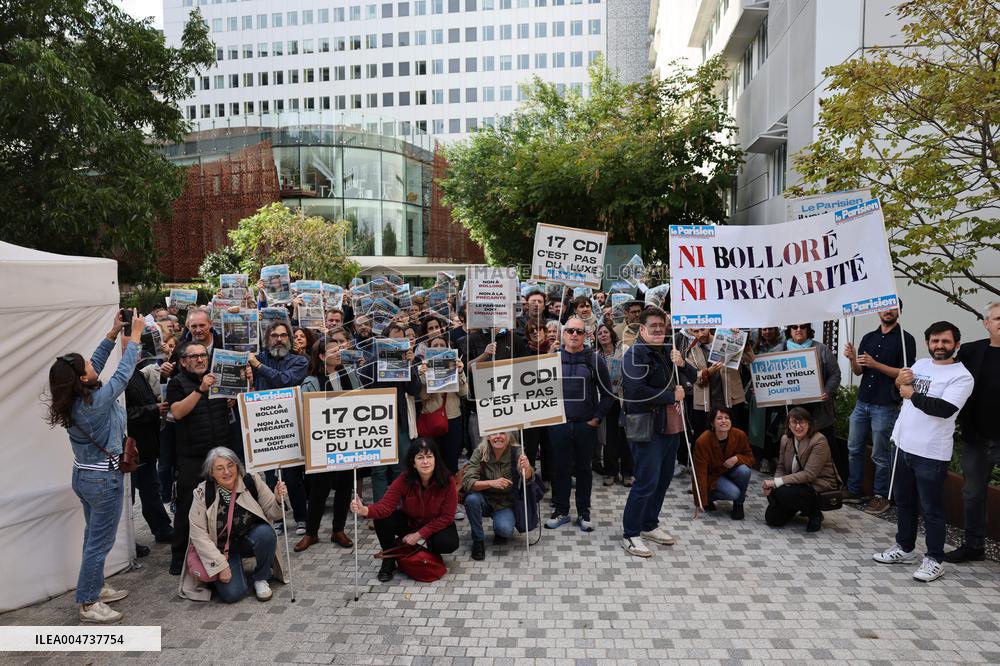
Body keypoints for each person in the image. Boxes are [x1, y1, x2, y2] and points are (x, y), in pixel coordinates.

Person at [47, 311, 145, 624]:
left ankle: (96, 586)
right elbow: (122, 377)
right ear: (81, 379)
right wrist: (136, 339)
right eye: (86, 366)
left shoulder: (77, 397)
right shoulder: (94, 403)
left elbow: (96, 367)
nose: (92, 365)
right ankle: (89, 603)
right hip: (103, 480)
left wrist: (113, 333)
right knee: (99, 543)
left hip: (85, 476)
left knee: (93, 537)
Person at [873, 321, 974, 582]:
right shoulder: (918, 365)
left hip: (931, 452)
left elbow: (944, 409)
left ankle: (934, 560)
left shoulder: (962, 376)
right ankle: (905, 548)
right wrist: (899, 381)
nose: (939, 346)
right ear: (928, 342)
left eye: (946, 342)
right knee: (904, 502)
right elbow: (900, 390)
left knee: (932, 509)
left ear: (956, 345)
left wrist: (911, 393)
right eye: (935, 341)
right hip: (903, 444)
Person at [620, 307, 696, 558]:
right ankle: (630, 533)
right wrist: (670, 395)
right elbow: (635, 392)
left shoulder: (668, 350)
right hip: (648, 429)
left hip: (671, 427)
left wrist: (682, 364)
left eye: (661, 326)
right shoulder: (635, 354)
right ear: (641, 329)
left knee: (663, 480)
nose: (658, 329)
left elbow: (693, 377)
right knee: (646, 481)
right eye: (652, 326)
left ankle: (649, 523)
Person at [179, 448, 289, 602]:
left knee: (266, 533)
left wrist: (278, 499)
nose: (227, 472)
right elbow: (199, 536)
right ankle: (225, 571)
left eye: (230, 465)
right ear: (211, 472)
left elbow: (274, 514)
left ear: (237, 466)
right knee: (234, 594)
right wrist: (221, 566)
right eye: (220, 468)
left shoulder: (251, 481)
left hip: (248, 540)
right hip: (220, 549)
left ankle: (261, 578)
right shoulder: (203, 493)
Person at [166, 341, 235, 575]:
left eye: (203, 355)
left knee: (223, 504)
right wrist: (200, 391)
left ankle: (222, 549)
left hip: (220, 454)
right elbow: (177, 412)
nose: (199, 360)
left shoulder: (218, 378)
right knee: (188, 507)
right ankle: (179, 556)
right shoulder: (177, 383)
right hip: (192, 457)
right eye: (193, 356)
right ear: (183, 362)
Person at [350, 438, 459, 582]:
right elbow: (385, 507)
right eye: (420, 458)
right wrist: (364, 510)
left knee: (448, 542)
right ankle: (389, 559)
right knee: (382, 520)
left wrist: (419, 535)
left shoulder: (447, 480)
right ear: (413, 463)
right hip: (410, 521)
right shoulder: (404, 479)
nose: (425, 462)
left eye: (429, 457)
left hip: (435, 524)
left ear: (436, 460)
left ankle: (428, 554)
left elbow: (447, 517)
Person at [843, 307, 917, 514]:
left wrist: (876, 364)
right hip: (862, 401)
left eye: (893, 309)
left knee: (880, 453)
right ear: (878, 312)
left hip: (885, 404)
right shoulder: (869, 337)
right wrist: (851, 358)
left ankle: (880, 496)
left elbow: (905, 373)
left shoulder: (905, 339)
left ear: (900, 312)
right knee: (854, 448)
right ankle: (854, 490)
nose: (888, 312)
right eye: (885, 309)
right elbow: (859, 371)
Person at [545, 317, 614, 532]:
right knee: (559, 469)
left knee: (584, 470)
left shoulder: (594, 359)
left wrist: (596, 419)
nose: (574, 335)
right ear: (563, 333)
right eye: (570, 331)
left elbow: (608, 394)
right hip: (559, 425)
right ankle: (561, 510)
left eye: (579, 332)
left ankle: (584, 512)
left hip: (586, 425)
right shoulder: (553, 358)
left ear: (586, 335)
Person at [946, 302, 1000, 563]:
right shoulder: (970, 351)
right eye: (997, 318)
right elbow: (942, 372)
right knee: (972, 494)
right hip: (976, 438)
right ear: (986, 323)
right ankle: (973, 545)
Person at [295, 336, 358, 551]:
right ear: (322, 357)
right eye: (333, 351)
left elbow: (363, 399)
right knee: (319, 491)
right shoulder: (312, 381)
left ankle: (338, 530)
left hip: (348, 441)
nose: (338, 352)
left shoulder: (349, 374)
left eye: (339, 348)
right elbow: (307, 411)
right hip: (323, 445)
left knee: (344, 487)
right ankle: (311, 533)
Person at [248, 322, 309, 534]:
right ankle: (277, 517)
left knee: (292, 477)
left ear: (290, 339)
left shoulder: (300, 360)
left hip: (289, 425)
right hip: (264, 426)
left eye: (283, 335)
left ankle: (302, 517)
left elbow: (286, 380)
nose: (279, 339)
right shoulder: (259, 357)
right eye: (274, 335)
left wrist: (256, 367)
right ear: (267, 339)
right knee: (271, 478)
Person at [359, 321, 421, 501]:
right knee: (379, 469)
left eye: (401, 342)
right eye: (393, 342)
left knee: (401, 467)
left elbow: (414, 390)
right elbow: (365, 384)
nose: (397, 346)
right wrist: (379, 358)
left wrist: (409, 365)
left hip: (400, 420)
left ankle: (398, 507)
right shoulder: (373, 361)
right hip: (378, 421)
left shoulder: (409, 360)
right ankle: (380, 510)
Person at [762, 407, 839, 533]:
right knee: (773, 519)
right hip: (795, 485)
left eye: (802, 422)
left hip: (817, 484)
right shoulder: (785, 439)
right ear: (788, 424)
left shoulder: (819, 440)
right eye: (794, 422)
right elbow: (781, 466)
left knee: (782, 492)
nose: (798, 427)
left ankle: (814, 513)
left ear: (809, 423)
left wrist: (777, 483)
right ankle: (797, 505)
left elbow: (809, 474)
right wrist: (774, 484)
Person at [781, 323, 843, 476]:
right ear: (789, 330)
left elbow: (835, 374)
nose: (798, 330)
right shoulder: (781, 350)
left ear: (808, 329)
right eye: (794, 327)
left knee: (825, 445)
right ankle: (798, 476)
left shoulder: (821, 349)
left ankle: (835, 480)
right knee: (796, 444)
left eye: (802, 327)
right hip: (794, 408)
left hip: (819, 410)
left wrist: (827, 392)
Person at [461, 431, 534, 560]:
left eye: (502, 433)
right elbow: (467, 482)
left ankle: (499, 528)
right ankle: (478, 540)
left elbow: (529, 479)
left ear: (508, 436)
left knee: (505, 530)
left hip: (505, 503)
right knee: (471, 499)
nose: (498, 437)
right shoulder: (480, 451)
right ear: (488, 436)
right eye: (494, 434)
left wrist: (527, 469)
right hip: (484, 500)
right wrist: (491, 483)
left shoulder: (516, 451)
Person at [125, 361, 174, 548]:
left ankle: (162, 528)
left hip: (145, 445)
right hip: (131, 448)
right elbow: (124, 413)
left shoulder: (133, 371)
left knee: (151, 489)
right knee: (129, 496)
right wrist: (153, 409)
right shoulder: (120, 374)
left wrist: (153, 403)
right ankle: (128, 541)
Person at [692, 407, 754, 520]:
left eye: (727, 418)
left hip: (731, 471)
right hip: (713, 476)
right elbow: (699, 473)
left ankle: (739, 504)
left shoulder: (739, 435)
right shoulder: (702, 441)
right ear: (712, 423)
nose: (724, 421)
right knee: (734, 493)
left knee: (744, 471)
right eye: (719, 418)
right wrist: (699, 501)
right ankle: (709, 497)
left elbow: (750, 458)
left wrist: (737, 458)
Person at [684, 327, 750, 434]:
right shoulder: (690, 350)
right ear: (690, 332)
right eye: (696, 331)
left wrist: (740, 339)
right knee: (708, 438)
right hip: (706, 403)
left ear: (709, 327)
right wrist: (709, 371)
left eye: (702, 329)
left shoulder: (726, 338)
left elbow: (750, 359)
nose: (700, 334)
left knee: (734, 436)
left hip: (731, 399)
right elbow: (695, 379)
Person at [418, 336, 468, 477]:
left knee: (451, 463)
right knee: (432, 464)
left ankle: (450, 495)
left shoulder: (457, 365)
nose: (439, 347)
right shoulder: (422, 367)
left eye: (442, 344)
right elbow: (423, 397)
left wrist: (459, 372)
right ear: (429, 350)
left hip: (453, 419)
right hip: (432, 420)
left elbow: (464, 393)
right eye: (435, 345)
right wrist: (424, 376)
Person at [596, 321, 631, 487]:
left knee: (625, 436)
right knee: (609, 437)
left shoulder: (623, 351)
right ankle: (610, 471)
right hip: (607, 401)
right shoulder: (596, 356)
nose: (603, 335)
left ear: (611, 334)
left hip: (624, 400)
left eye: (605, 332)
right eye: (600, 333)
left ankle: (627, 472)